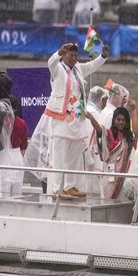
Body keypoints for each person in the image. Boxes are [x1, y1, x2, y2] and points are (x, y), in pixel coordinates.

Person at [44, 41, 109, 197]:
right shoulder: (57, 69)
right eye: (70, 55)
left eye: (75, 55)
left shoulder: (78, 68)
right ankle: (57, 188)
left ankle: (70, 186)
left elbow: (91, 66)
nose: (74, 58)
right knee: (59, 155)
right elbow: (50, 62)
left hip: (77, 117)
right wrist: (59, 52)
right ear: (64, 55)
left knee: (74, 154)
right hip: (62, 116)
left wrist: (103, 56)